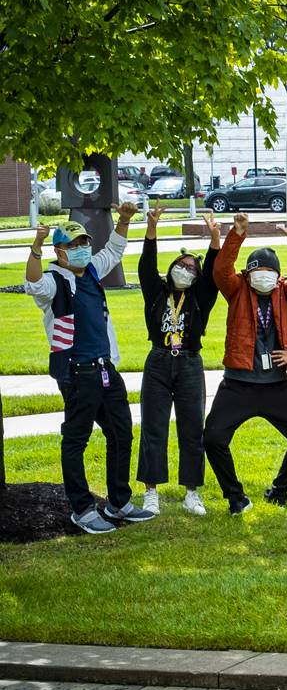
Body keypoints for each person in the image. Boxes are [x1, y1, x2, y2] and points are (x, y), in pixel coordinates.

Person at [26, 206, 157, 533]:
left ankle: (118, 502)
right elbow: (32, 282)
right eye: (73, 245)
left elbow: (113, 249)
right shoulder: (55, 281)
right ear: (60, 251)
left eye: (83, 242)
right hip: (77, 372)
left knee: (121, 432)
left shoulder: (93, 271)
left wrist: (124, 220)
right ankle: (82, 509)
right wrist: (36, 247)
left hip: (105, 370)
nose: (82, 248)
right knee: (76, 439)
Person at [203, 212, 287, 514]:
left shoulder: (283, 291)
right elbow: (220, 270)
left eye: (269, 270)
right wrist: (237, 234)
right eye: (258, 270)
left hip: (276, 385)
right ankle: (235, 497)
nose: (263, 275)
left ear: (277, 274)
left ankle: (279, 490)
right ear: (248, 273)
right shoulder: (237, 288)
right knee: (213, 438)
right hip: (239, 384)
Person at [135, 207, 221, 516]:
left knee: (192, 428)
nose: (185, 270)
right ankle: (151, 491)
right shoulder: (156, 292)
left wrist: (214, 238)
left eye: (191, 268)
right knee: (153, 427)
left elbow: (212, 271)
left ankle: (192, 492)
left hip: (189, 363)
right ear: (172, 268)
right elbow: (146, 265)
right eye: (181, 265)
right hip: (158, 361)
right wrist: (151, 228)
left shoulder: (201, 297)